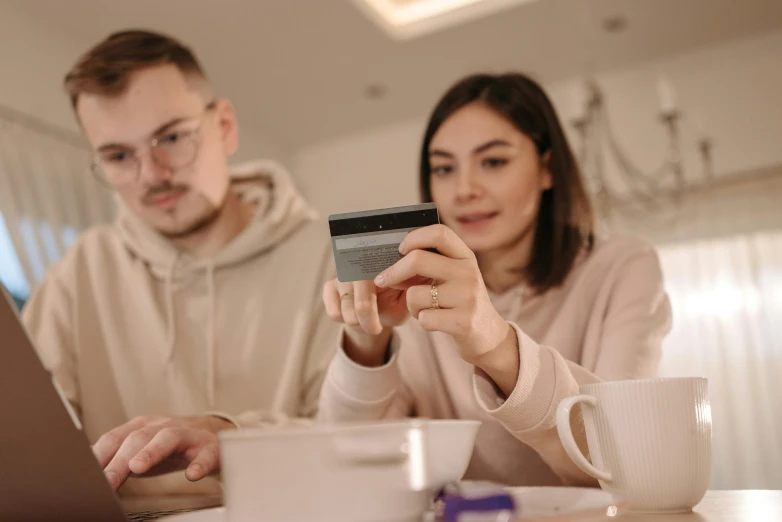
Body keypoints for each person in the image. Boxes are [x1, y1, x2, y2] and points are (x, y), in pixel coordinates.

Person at [22, 30, 339, 497]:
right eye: (117, 156)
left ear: (225, 126)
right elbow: (28, 438)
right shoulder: (80, 270)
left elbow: (354, 435)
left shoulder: (324, 258)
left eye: (171, 137)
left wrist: (227, 435)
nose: (151, 174)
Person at [318, 73, 672, 487]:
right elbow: (348, 468)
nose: (464, 189)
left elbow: (621, 459)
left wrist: (497, 345)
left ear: (547, 169)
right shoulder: (415, 290)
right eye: (444, 168)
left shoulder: (623, 266)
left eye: (493, 161)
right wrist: (367, 343)